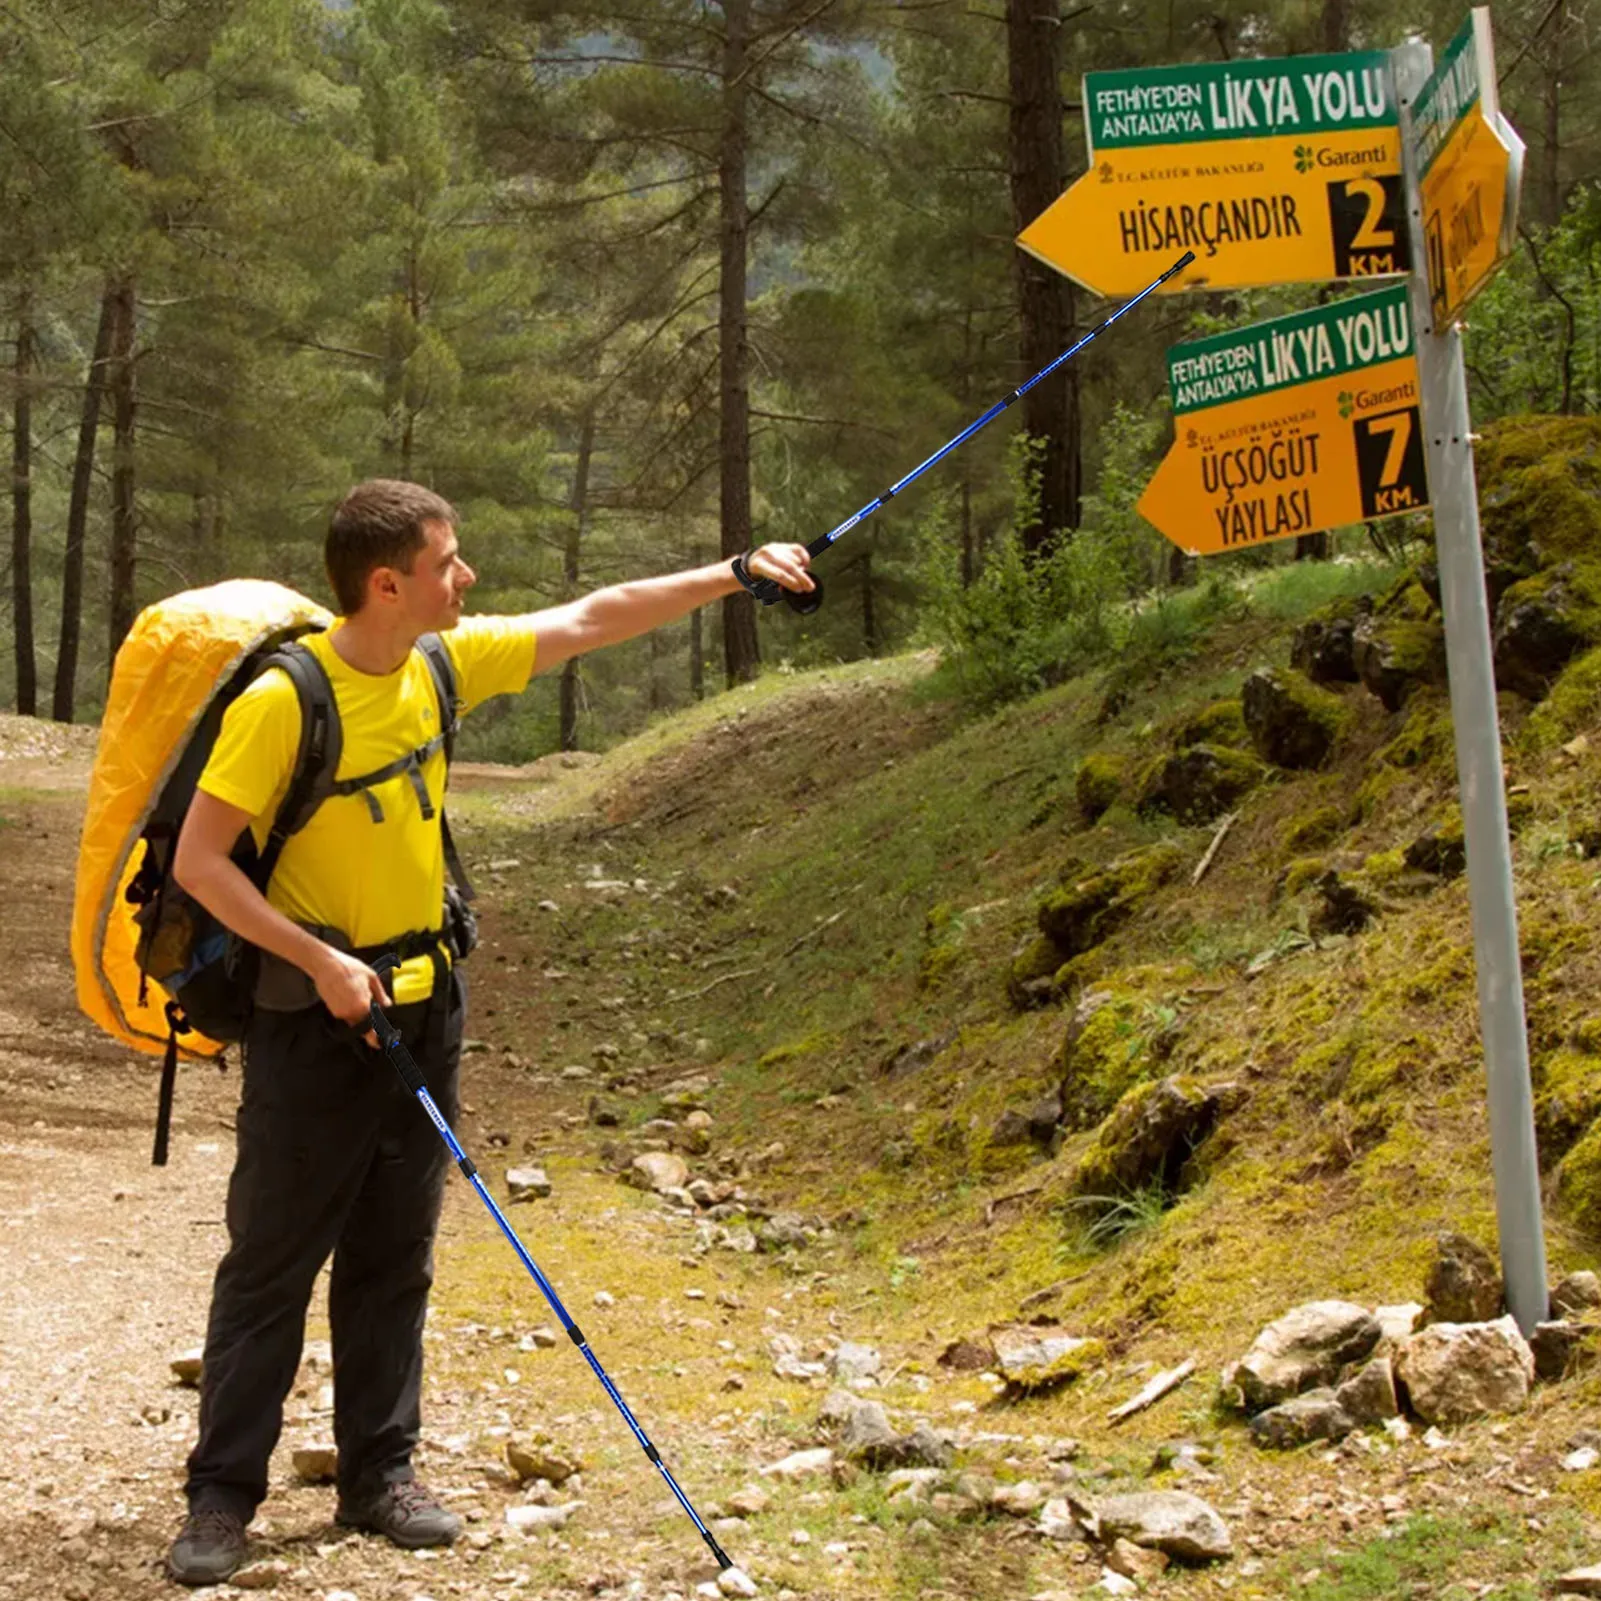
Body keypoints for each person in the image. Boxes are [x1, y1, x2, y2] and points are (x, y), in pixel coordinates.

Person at [164, 478, 814, 1586]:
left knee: (395, 1255)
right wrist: (319, 960)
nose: (464, 577)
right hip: (312, 1021)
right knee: (272, 1265)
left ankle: (379, 1475)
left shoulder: (439, 663)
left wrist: (733, 572)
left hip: (424, 1009)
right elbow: (200, 861)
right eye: (446, 561)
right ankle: (222, 1497)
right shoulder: (285, 701)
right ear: (387, 583)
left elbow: (593, 617)